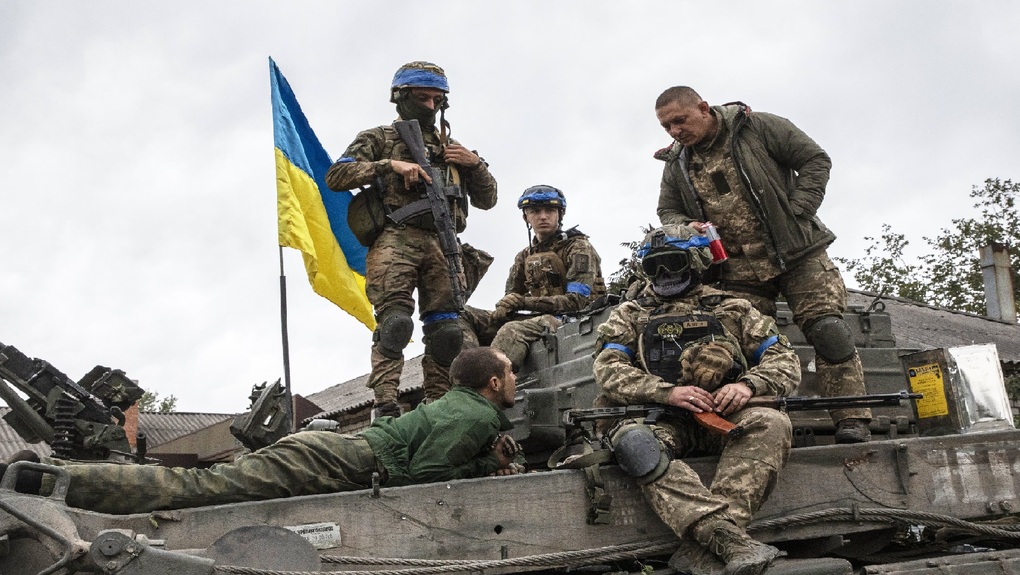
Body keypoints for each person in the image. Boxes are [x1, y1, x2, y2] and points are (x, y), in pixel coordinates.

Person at [1, 348, 523, 515]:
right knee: (199, 488)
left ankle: (51, 475)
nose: (517, 380)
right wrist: (487, 467)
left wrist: (486, 462)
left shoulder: (458, 406)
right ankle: (46, 478)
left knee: (203, 485)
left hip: (332, 453)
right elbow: (426, 480)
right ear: (494, 382)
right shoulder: (476, 416)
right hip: (337, 460)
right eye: (511, 372)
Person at [653, 86, 872, 444]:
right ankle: (765, 426)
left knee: (829, 331)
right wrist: (686, 226)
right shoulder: (677, 162)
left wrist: (799, 209)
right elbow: (668, 209)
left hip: (797, 254)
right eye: (667, 127)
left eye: (680, 120)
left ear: (704, 108)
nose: (675, 131)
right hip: (735, 269)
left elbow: (815, 159)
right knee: (742, 346)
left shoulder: (757, 127)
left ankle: (852, 417)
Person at [592, 226, 801, 575]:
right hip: (659, 417)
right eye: (653, 267)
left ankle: (706, 548)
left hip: (724, 415)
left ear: (696, 262)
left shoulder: (733, 308)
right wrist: (666, 392)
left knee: (770, 422)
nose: (663, 274)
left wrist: (747, 385)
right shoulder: (630, 314)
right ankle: (725, 539)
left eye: (672, 263)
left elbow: (784, 360)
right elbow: (608, 369)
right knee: (636, 444)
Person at [325, 61, 498, 419]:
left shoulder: (453, 149)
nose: (431, 106)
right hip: (396, 239)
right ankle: (385, 404)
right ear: (401, 98)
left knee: (447, 332)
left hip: (443, 244)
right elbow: (337, 175)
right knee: (395, 325)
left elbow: (488, 199)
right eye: (422, 98)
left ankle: (438, 404)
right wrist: (389, 165)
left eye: (437, 100)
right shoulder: (379, 138)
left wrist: (474, 164)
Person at [488, 185, 606, 371]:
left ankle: (490, 384)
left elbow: (577, 302)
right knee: (467, 317)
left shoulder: (578, 248)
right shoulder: (524, 256)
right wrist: (504, 307)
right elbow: (511, 297)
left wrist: (523, 303)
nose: (543, 216)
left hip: (578, 318)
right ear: (526, 217)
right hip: (540, 318)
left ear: (560, 214)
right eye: (535, 211)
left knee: (512, 331)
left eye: (550, 210)